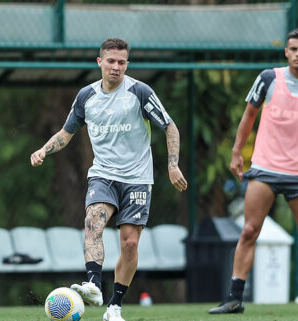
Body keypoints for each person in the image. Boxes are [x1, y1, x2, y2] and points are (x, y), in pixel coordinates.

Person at [30, 38, 188, 321]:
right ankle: (92, 283)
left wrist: (172, 165)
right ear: (99, 62)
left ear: (127, 65)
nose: (116, 67)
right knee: (93, 220)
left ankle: (114, 306)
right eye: (111, 61)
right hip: (103, 174)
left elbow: (169, 126)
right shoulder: (86, 97)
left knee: (129, 244)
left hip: (138, 178)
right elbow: (66, 134)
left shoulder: (139, 92)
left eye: (121, 62)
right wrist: (44, 149)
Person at [209, 28, 298, 315]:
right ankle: (234, 297)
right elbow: (248, 115)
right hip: (265, 168)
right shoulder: (268, 79)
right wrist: (237, 152)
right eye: (293, 49)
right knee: (249, 230)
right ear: (286, 52)